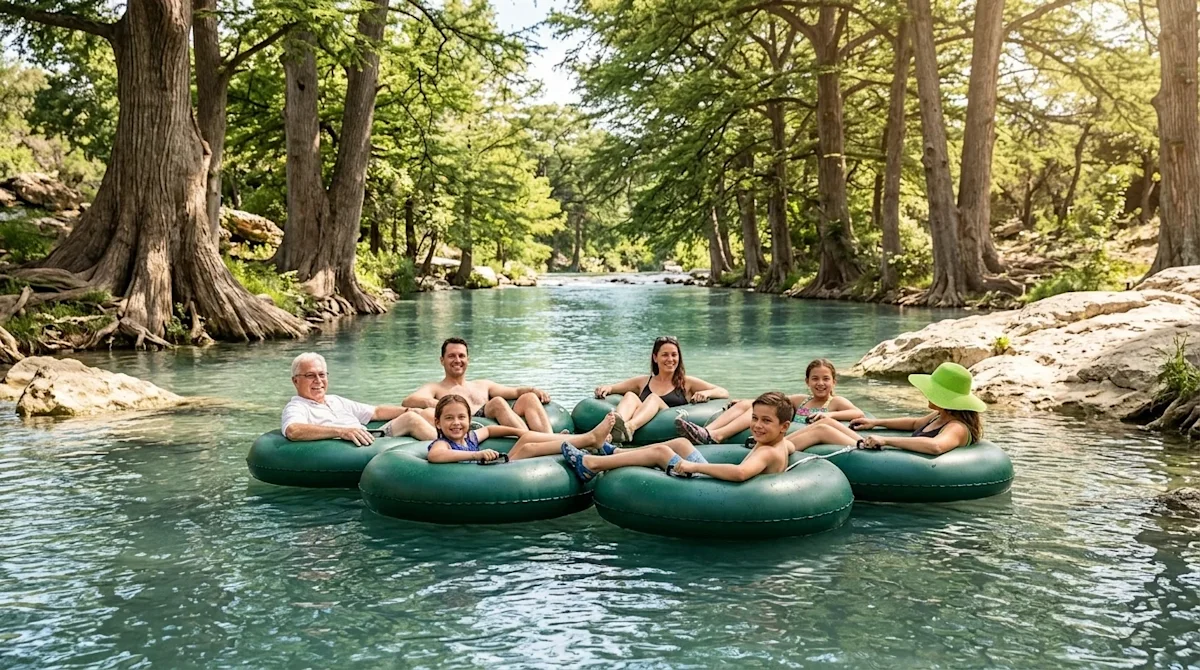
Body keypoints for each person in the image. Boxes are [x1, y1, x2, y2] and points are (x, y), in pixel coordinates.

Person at [561, 391, 796, 483]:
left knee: (662, 453)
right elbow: (792, 447)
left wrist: (692, 466)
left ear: (784, 426)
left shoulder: (766, 451)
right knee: (681, 443)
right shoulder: (781, 444)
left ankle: (591, 464)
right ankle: (617, 453)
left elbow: (741, 473)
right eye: (754, 418)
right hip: (722, 486)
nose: (756, 425)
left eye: (766, 421)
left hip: (718, 491)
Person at [783, 362, 986, 456]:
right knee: (826, 421)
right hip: (890, 451)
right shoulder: (940, 415)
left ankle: (777, 451)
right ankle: (771, 446)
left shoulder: (957, 427)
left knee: (822, 429)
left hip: (895, 457)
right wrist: (876, 422)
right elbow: (914, 423)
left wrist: (886, 439)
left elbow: (936, 447)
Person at [675, 358, 863, 445]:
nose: (820, 383)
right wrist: (746, 401)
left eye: (825, 379)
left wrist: (830, 414)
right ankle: (708, 432)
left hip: (797, 437)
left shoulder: (835, 401)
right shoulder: (801, 400)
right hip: (787, 431)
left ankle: (716, 436)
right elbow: (771, 401)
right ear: (807, 382)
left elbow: (857, 413)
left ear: (833, 381)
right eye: (815, 379)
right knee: (750, 405)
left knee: (758, 411)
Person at [592, 336, 728, 443]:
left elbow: (723, 392)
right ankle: (613, 431)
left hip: (667, 422)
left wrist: (706, 393)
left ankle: (629, 428)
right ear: (655, 358)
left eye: (674, 355)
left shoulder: (687, 382)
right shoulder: (643, 381)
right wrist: (605, 388)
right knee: (630, 395)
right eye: (665, 355)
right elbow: (613, 387)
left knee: (653, 398)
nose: (670, 359)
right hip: (644, 419)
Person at [282, 352, 436, 446]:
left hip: (369, 438)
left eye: (322, 375)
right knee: (411, 419)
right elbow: (293, 430)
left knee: (426, 413)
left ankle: (455, 441)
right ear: (295, 381)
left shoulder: (335, 400)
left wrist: (409, 409)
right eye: (310, 375)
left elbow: (375, 412)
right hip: (356, 446)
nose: (318, 380)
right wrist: (342, 432)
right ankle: (453, 450)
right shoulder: (297, 406)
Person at [403, 337, 555, 432]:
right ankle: (530, 437)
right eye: (451, 356)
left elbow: (515, 392)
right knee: (497, 402)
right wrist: (437, 403)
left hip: (491, 416)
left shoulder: (483, 384)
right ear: (442, 360)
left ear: (468, 359)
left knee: (528, 397)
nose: (457, 360)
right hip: (471, 421)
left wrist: (534, 390)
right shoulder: (435, 387)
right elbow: (408, 401)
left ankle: (551, 438)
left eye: (461, 356)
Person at [427, 394, 620, 463]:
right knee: (529, 448)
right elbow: (436, 456)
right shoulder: (443, 444)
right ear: (438, 423)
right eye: (449, 418)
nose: (456, 423)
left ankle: (589, 439)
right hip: (490, 477)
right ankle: (590, 439)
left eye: (462, 418)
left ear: (469, 420)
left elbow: (490, 431)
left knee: (527, 440)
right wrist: (476, 455)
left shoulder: (470, 438)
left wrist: (521, 432)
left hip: (494, 470)